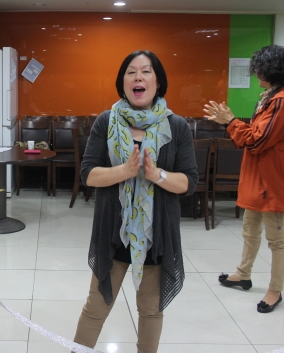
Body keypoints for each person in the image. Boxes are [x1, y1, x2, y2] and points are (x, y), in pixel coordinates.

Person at [73, 50, 198, 353]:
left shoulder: (177, 126)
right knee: (96, 307)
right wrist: (124, 171)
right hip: (113, 232)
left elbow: (189, 182)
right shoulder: (106, 121)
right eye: (131, 71)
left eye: (146, 71)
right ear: (123, 82)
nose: (138, 77)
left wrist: (157, 175)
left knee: (151, 310)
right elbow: (88, 174)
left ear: (158, 82)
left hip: (157, 234)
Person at [204, 44, 284, 313]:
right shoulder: (271, 98)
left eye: (258, 68)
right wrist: (232, 123)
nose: (255, 72)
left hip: (272, 183)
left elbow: (257, 141)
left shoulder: (282, 102)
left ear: (270, 70)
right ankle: (243, 274)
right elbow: (256, 136)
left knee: (276, 239)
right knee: (250, 229)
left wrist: (230, 121)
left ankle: (275, 290)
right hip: (259, 180)